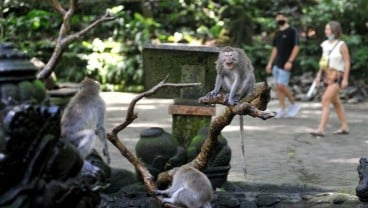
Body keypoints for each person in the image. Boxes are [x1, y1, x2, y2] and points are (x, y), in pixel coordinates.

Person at [310, 21, 350, 137]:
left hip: (337, 76)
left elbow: (347, 62)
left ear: (334, 30)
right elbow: (323, 62)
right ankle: (344, 126)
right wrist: (318, 75)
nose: (326, 31)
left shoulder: (341, 44)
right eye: (326, 29)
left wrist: (345, 79)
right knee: (336, 102)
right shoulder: (325, 44)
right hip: (327, 77)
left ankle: (321, 129)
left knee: (325, 100)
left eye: (328, 29)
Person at [266, 12, 301, 118]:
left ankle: (295, 105)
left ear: (286, 18)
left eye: (281, 17)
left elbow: (296, 47)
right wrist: (270, 63)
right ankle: (282, 109)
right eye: (277, 18)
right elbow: (275, 49)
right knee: (278, 87)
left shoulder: (292, 31)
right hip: (277, 63)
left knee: (282, 85)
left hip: (286, 63)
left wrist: (290, 61)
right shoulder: (277, 33)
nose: (279, 19)